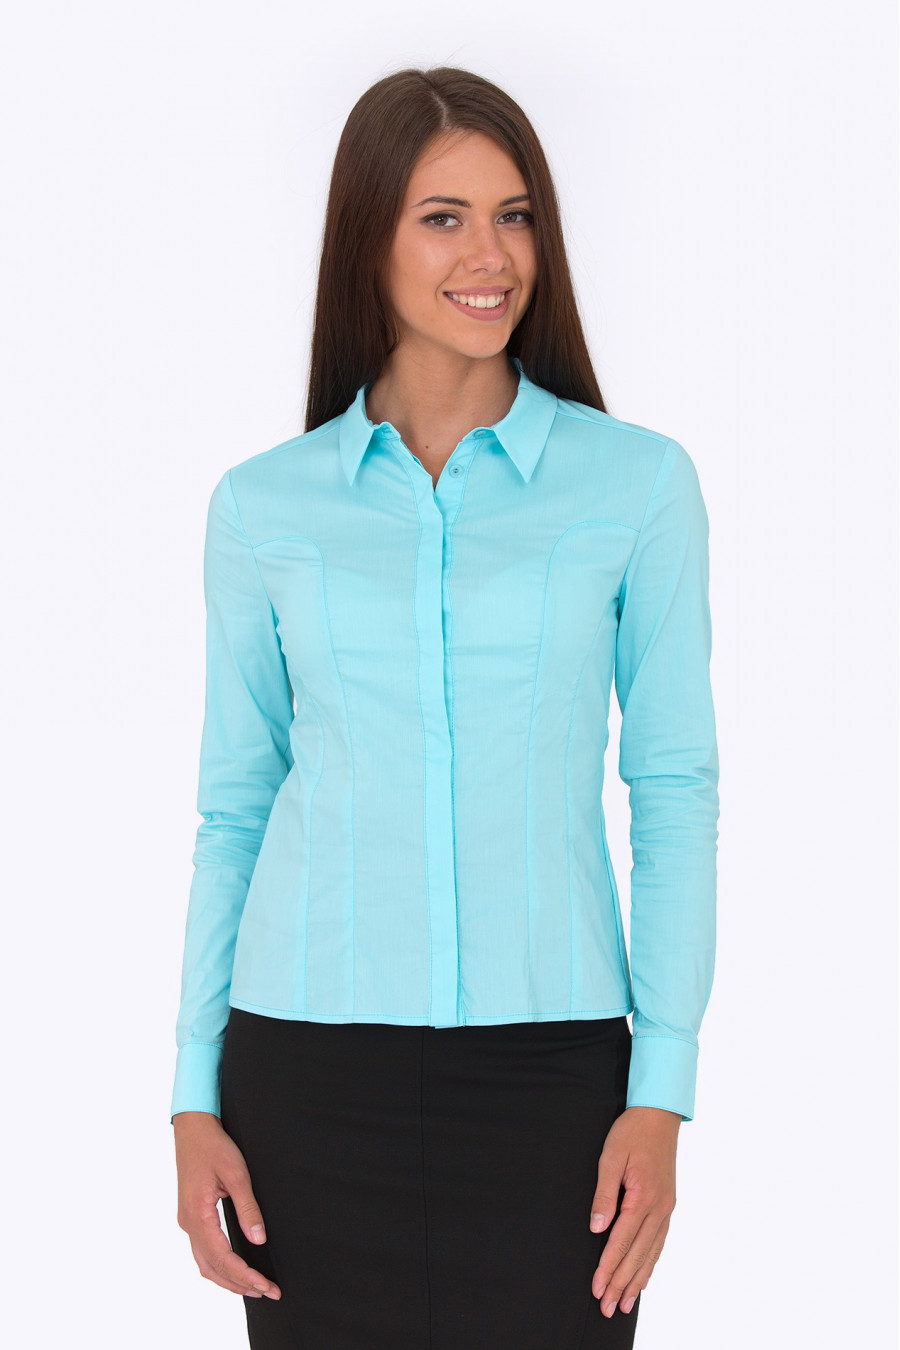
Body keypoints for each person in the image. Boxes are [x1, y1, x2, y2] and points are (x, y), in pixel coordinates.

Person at [171, 65, 719, 1350]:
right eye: (444, 217)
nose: (492, 255)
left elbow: (675, 792)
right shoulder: (262, 507)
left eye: (515, 216)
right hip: (303, 1079)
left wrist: (663, 1088)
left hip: (557, 1086)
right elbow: (235, 807)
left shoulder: (638, 487)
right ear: (368, 238)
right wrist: (194, 1094)